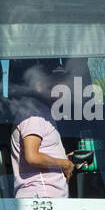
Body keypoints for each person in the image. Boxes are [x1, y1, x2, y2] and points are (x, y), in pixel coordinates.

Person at [9, 63, 74, 199]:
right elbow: (33, 156)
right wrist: (64, 164)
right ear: (39, 86)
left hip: (44, 198)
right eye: (54, 83)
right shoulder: (34, 115)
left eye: (62, 83)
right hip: (41, 199)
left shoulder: (42, 111)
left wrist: (62, 159)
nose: (61, 89)